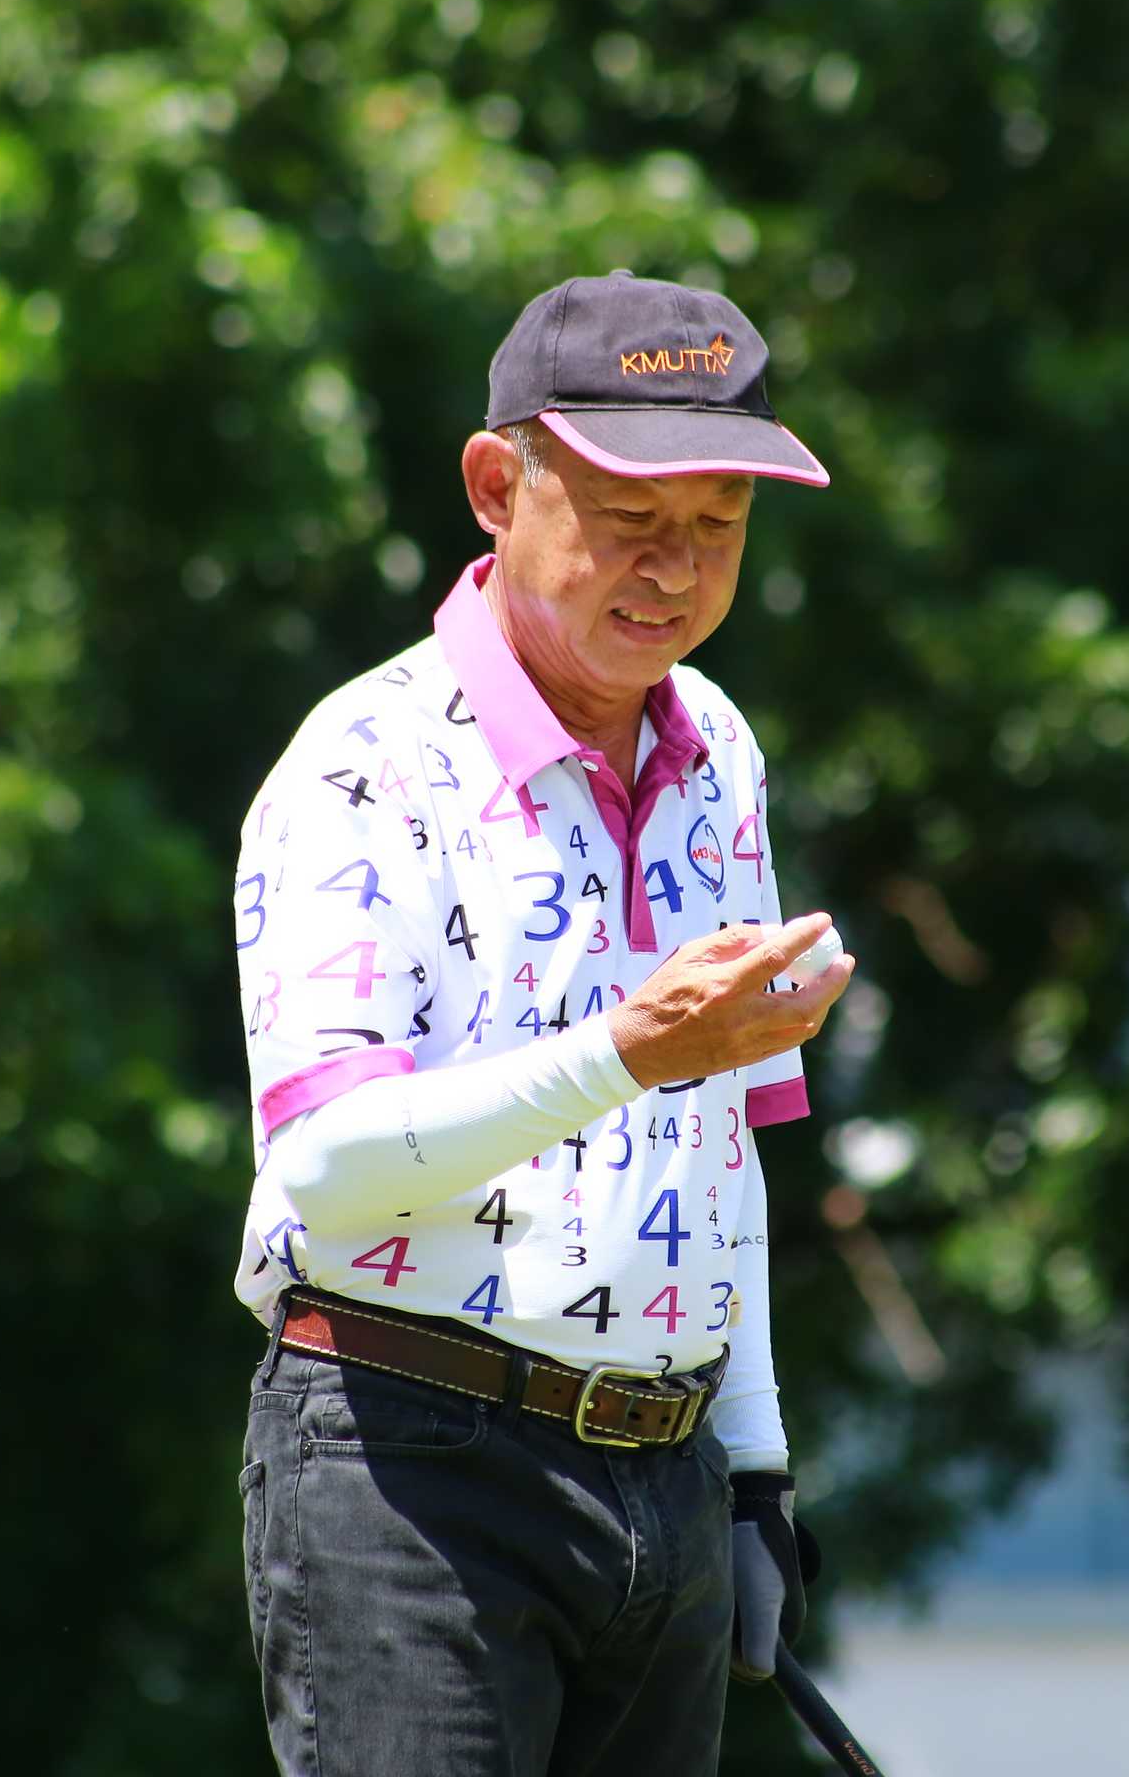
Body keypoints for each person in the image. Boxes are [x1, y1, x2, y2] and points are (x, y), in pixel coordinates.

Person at [229, 270, 854, 1776]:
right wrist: (627, 1051)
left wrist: (755, 1468)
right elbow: (327, 1168)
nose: (674, 570)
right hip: (410, 1463)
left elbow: (724, 1157)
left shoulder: (720, 750)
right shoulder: (360, 763)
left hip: (670, 1480)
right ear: (496, 488)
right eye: (631, 516)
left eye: (718, 525)